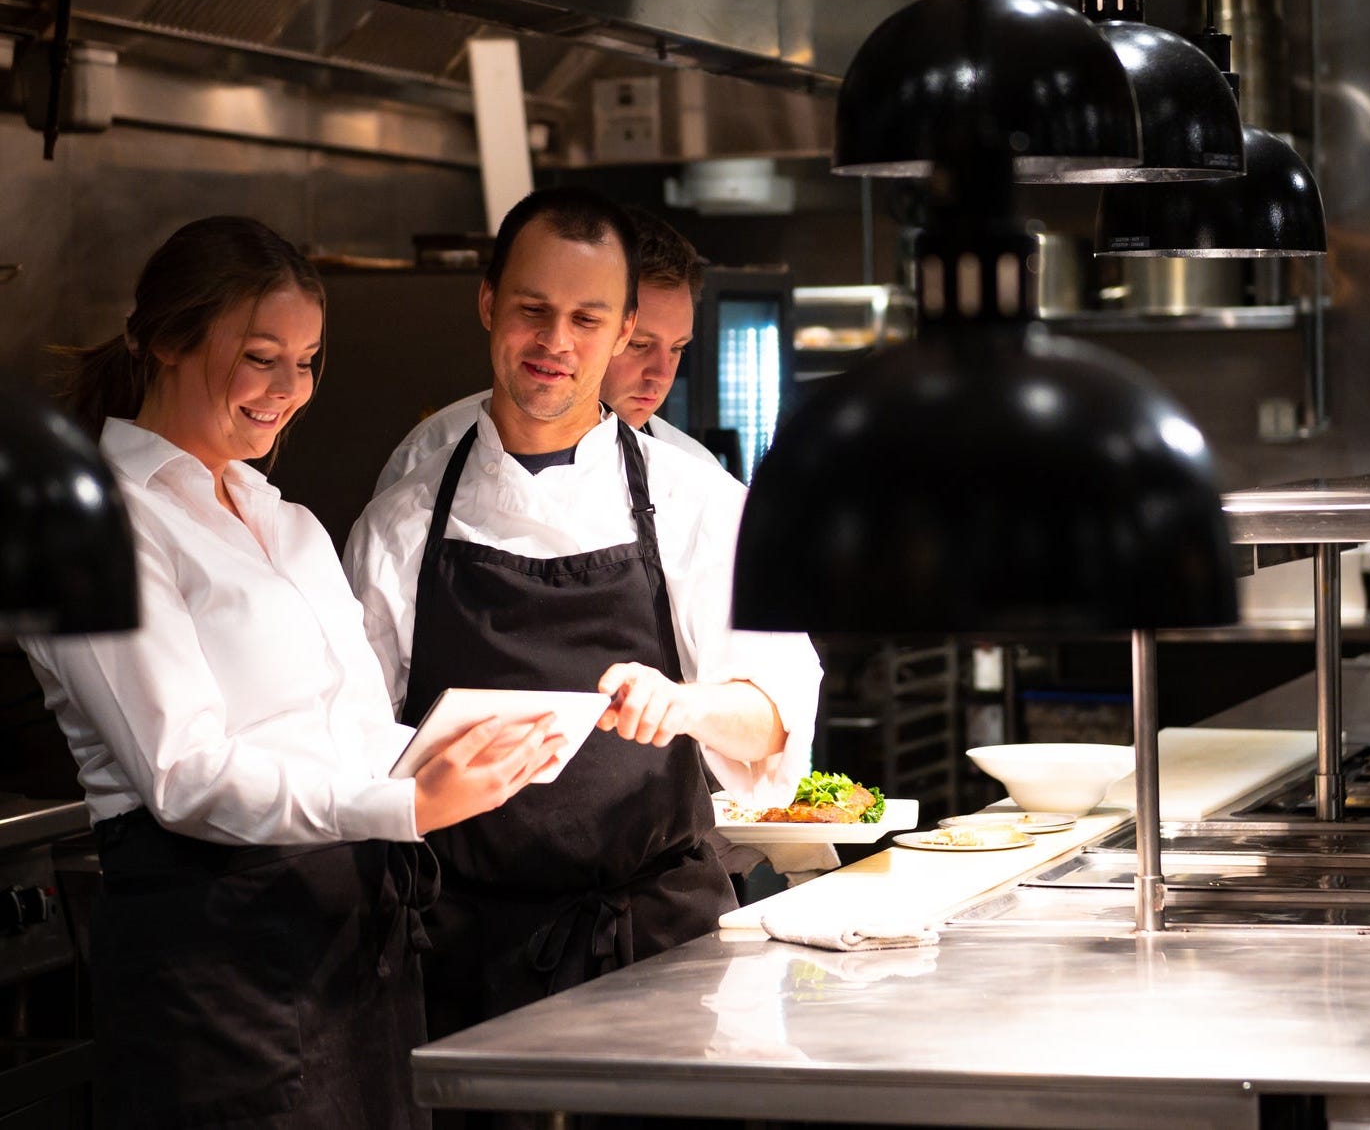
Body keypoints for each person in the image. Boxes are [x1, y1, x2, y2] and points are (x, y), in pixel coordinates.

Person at [19, 216, 563, 1130]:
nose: (287, 391)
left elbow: (345, 732)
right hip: (214, 958)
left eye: (306, 362)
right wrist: (409, 805)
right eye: (261, 357)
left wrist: (472, 745)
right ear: (160, 339)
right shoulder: (93, 521)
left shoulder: (288, 523)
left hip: (352, 944)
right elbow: (181, 775)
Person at [343, 187, 821, 1046]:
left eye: (588, 320)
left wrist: (687, 705)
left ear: (620, 326)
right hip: (458, 956)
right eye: (533, 311)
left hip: (659, 951)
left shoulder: (698, 502)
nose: (556, 345)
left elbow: (775, 723)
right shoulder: (402, 522)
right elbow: (349, 748)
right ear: (489, 304)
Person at [372, 206, 718, 493]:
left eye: (677, 349)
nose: (661, 375)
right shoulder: (431, 453)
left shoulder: (698, 479)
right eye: (640, 345)